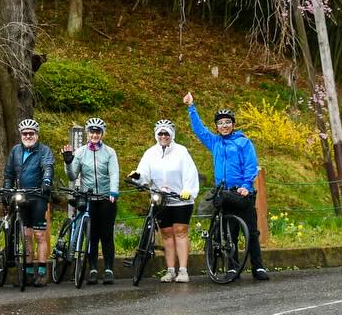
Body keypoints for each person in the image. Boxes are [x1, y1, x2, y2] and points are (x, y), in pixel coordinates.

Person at [184, 92, 268, 281]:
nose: (224, 126)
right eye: (220, 123)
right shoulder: (215, 142)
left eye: (227, 122)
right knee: (229, 233)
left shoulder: (243, 142)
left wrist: (247, 185)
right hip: (224, 193)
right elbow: (200, 130)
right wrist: (191, 107)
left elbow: (250, 165)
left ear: (233, 124)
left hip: (242, 192)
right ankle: (232, 267)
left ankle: (258, 267)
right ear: (217, 126)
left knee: (252, 232)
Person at [130, 118, 199, 283]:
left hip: (180, 199)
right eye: (160, 133)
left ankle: (183, 270)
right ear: (156, 135)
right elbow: (144, 173)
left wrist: (187, 191)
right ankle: (170, 270)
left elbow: (190, 172)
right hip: (161, 199)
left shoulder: (181, 151)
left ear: (172, 135)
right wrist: (137, 177)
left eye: (166, 133)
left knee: (180, 231)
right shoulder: (150, 153)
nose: (163, 136)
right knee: (167, 234)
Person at [62, 116, 120, 285]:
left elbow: (114, 173)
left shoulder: (110, 152)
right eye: (92, 132)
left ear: (102, 134)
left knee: (107, 234)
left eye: (98, 132)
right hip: (88, 198)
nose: (95, 135)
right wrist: (68, 162)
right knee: (92, 235)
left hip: (105, 197)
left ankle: (108, 269)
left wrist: (114, 191)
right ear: (87, 133)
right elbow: (72, 175)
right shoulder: (80, 152)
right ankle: (93, 269)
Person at [4, 118, 54, 286]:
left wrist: (46, 182)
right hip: (22, 196)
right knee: (26, 235)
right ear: (21, 135)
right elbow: (9, 173)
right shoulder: (16, 151)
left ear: (37, 135)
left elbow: (48, 167)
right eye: (25, 134)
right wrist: (6, 189)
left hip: (38, 196)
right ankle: (28, 271)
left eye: (31, 133)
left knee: (40, 235)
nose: (28, 136)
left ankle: (41, 271)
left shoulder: (44, 151)